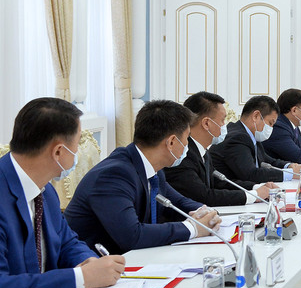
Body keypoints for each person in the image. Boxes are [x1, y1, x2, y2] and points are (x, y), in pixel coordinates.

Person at [1, 99, 126, 288]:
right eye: (77, 144)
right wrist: (80, 278)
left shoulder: (43, 189)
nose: (77, 153)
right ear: (58, 152)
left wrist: (88, 262)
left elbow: (68, 240)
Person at [65, 100, 220, 254]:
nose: (187, 145)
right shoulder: (114, 175)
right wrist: (192, 228)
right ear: (172, 142)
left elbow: (177, 203)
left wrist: (207, 214)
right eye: (186, 138)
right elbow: (132, 236)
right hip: (98, 263)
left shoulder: (152, 168)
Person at [164, 91, 278, 206]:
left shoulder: (202, 151)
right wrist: (253, 195)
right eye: (222, 120)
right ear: (206, 123)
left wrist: (256, 187)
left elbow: (219, 182)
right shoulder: (182, 154)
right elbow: (204, 196)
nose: (225, 125)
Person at [210, 95, 301, 184]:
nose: (271, 128)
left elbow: (267, 160)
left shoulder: (250, 135)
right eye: (270, 123)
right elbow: (251, 174)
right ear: (256, 116)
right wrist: (291, 174)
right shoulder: (237, 138)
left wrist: (290, 166)